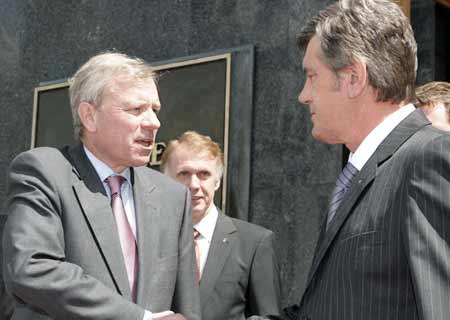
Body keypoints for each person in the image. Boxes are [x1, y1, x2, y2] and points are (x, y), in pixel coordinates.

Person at [249, 0, 450, 320]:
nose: (304, 94)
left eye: (312, 76)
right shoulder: (362, 174)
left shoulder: (429, 160)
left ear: (354, 77)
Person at [2, 52, 200, 320]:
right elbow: (32, 267)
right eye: (136, 109)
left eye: (154, 110)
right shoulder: (44, 172)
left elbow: (186, 309)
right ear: (89, 116)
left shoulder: (173, 197)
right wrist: (139, 318)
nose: (154, 122)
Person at [160, 131, 282, 320]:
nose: (194, 184)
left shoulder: (254, 243)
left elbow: (269, 317)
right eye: (184, 173)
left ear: (216, 181)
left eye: (204, 174)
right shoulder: (149, 239)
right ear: (167, 180)